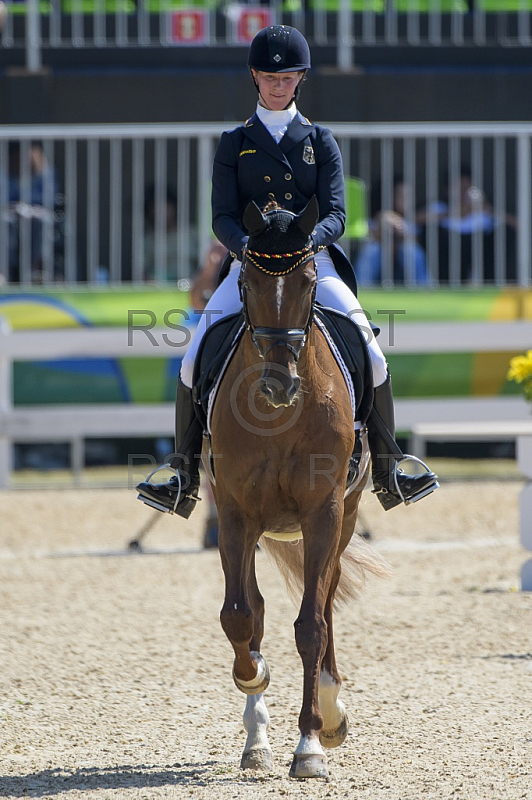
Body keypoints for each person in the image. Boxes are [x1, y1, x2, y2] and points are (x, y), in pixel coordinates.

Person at [136, 25, 439, 518]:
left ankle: (388, 467)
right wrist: (247, 248)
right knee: (194, 355)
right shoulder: (235, 142)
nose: (279, 84)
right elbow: (222, 216)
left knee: (372, 351)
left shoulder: (320, 140)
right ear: (255, 76)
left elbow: (337, 214)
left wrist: (306, 242)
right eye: (270, 75)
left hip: (309, 264)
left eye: (288, 75)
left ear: (301, 79)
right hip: (251, 266)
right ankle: (183, 474)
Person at [417, 167, 517, 284]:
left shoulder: (484, 212)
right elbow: (415, 220)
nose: (462, 193)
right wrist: (455, 212)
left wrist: (487, 209)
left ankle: (487, 283)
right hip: (447, 261)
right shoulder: (439, 208)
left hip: (479, 258)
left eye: (466, 188)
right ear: (447, 189)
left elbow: (518, 225)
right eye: (458, 188)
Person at [2, 141, 62, 283]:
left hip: (37, 214)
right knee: (4, 222)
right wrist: (14, 208)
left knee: (43, 221)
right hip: (11, 214)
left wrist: (32, 209)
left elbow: (51, 199)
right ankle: (5, 270)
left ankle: (35, 270)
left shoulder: (47, 173)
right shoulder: (3, 174)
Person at [356, 176, 430, 286]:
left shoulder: (414, 219)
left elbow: (417, 240)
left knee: (412, 250)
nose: (406, 200)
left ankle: (424, 289)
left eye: (409, 195)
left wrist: (401, 233)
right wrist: (382, 222)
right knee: (372, 250)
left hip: (402, 265)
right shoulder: (377, 218)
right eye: (401, 195)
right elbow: (369, 237)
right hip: (381, 263)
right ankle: (360, 289)